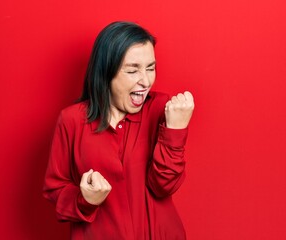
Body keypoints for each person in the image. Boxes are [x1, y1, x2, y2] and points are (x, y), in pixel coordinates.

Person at [43, 21, 194, 239]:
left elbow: (163, 186)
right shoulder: (72, 120)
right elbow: (54, 189)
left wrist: (176, 130)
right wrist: (85, 200)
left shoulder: (163, 109)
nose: (145, 80)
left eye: (150, 68)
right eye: (133, 70)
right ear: (106, 73)